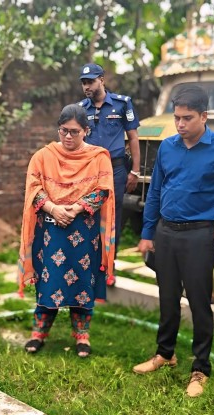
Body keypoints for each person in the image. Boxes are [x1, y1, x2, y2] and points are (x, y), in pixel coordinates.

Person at [133, 85, 214, 397]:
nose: (180, 124)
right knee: (167, 298)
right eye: (177, 118)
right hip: (166, 232)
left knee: (199, 302)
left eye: (187, 118)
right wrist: (148, 233)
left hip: (198, 236)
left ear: (204, 116)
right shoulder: (168, 147)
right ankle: (165, 354)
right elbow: (155, 191)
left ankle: (200, 368)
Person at [17, 104, 115, 358]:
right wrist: (53, 208)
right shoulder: (43, 156)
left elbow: (103, 190)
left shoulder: (98, 157)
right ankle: (39, 332)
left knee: (83, 280)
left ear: (86, 131)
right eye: (63, 131)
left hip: (84, 230)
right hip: (51, 230)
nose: (68, 137)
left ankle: (82, 335)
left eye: (74, 132)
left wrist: (75, 209)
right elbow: (34, 187)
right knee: (48, 279)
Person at [77, 63, 140, 286]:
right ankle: (88, 265)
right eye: (84, 83)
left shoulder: (122, 104)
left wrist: (135, 171)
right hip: (89, 170)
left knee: (113, 217)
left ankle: (109, 267)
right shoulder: (80, 109)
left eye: (91, 82)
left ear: (102, 80)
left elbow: (133, 137)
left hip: (116, 169)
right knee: (87, 215)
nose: (87, 86)